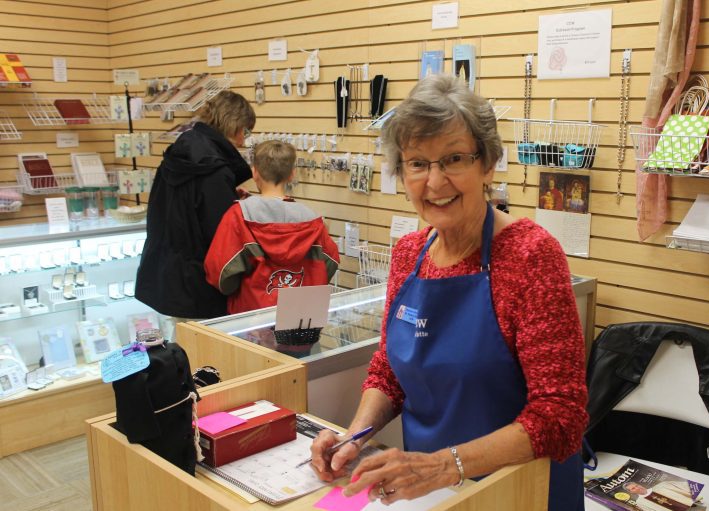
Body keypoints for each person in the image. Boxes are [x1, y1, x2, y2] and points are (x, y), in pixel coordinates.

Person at [308, 74, 588, 510]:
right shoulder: (408, 254)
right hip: (433, 495)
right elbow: (388, 372)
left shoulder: (531, 256)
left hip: (519, 493)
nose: (435, 182)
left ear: (488, 163)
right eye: (417, 163)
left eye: (453, 159)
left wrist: (443, 465)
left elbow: (561, 416)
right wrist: (355, 437)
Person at [136, 90, 255, 321]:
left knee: (182, 346)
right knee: (204, 353)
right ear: (234, 126)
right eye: (245, 131)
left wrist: (228, 195)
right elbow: (220, 235)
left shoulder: (180, 152)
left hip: (167, 274)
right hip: (198, 285)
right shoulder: (214, 169)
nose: (243, 141)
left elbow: (181, 208)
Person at [204, 140, 340, 315]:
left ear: (254, 172)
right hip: (299, 320)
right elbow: (331, 262)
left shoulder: (239, 215)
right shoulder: (311, 219)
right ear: (292, 174)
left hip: (252, 321)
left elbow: (219, 273)